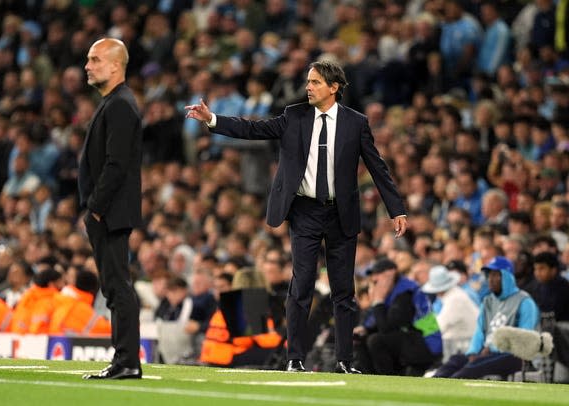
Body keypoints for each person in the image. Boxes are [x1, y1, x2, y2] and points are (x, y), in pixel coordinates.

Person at [185, 59, 408, 374]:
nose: (308, 87)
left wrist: (395, 208)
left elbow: (377, 166)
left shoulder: (355, 122)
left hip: (341, 213)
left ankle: (345, 361)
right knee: (301, 285)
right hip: (305, 210)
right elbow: (254, 129)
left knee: (343, 290)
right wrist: (213, 119)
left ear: (334, 88)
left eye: (315, 82)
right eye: (308, 81)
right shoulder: (294, 115)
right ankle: (294, 359)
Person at [78, 38, 143, 380]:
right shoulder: (114, 102)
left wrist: (96, 208)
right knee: (114, 286)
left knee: (117, 285)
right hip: (109, 210)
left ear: (116, 65)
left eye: (95, 59)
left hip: (111, 212)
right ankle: (124, 360)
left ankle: (128, 361)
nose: (88, 66)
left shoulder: (119, 104)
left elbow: (116, 164)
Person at [433, 256, 540, 379]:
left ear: (507, 277)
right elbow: (479, 331)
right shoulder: (488, 301)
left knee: (471, 368)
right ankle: (432, 386)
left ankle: (453, 391)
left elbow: (524, 339)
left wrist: (492, 347)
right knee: (456, 360)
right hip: (487, 353)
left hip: (513, 356)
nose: (490, 279)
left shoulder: (524, 302)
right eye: (489, 275)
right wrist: (473, 351)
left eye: (495, 275)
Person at [354, 258, 442, 376]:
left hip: (428, 343)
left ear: (391, 273)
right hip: (413, 337)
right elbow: (386, 324)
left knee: (376, 341)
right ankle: (371, 379)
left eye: (378, 274)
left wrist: (378, 301)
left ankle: (388, 380)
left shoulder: (406, 291)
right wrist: (366, 329)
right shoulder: (394, 291)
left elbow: (387, 328)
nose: (374, 279)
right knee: (360, 338)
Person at [422, 265, 479, 362]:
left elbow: (437, 327)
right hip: (459, 344)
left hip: (467, 347)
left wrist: (417, 327)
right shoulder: (452, 295)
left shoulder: (455, 299)